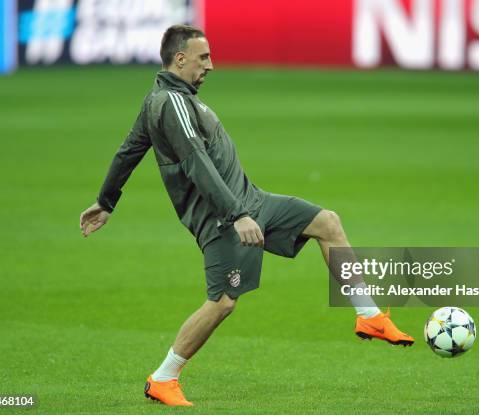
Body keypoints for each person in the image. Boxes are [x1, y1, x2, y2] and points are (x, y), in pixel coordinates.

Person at [79, 24, 414, 407]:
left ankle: (368, 314)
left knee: (328, 223)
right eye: (203, 57)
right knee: (222, 302)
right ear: (179, 58)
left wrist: (106, 201)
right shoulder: (169, 103)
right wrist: (236, 213)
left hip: (252, 201)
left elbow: (128, 152)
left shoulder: (171, 99)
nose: (211, 65)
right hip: (224, 217)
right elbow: (196, 162)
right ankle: (163, 377)